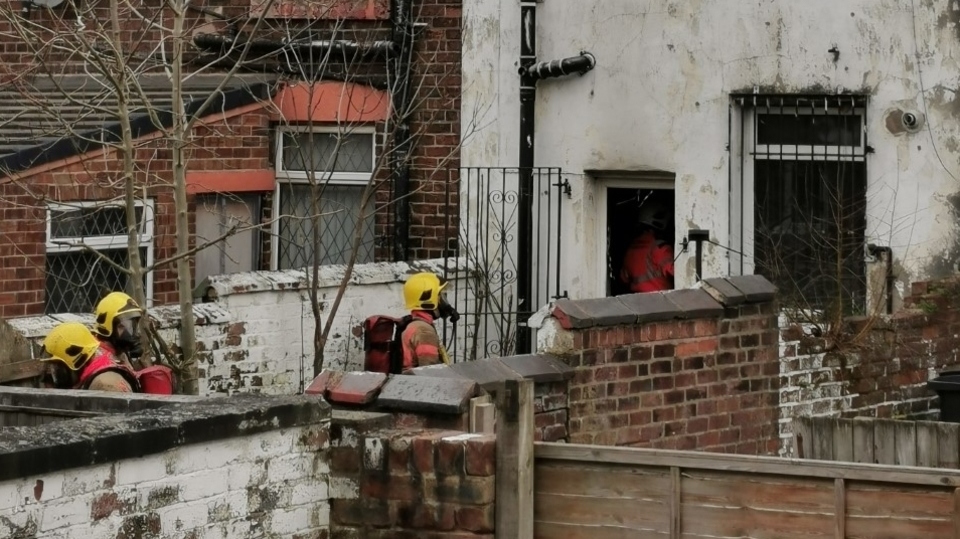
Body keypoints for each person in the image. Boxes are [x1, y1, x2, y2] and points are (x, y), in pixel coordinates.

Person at [41, 322, 140, 392]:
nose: (54, 374)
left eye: (57, 366)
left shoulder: (105, 386)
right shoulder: (96, 372)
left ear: (76, 360)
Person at [400, 272, 457, 373]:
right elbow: (430, 370)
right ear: (428, 298)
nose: (444, 303)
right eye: (441, 297)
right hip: (417, 384)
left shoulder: (415, 325)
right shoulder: (424, 331)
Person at [619, 202, 675, 293]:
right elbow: (677, 272)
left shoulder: (630, 250)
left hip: (637, 302)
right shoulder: (659, 248)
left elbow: (624, 278)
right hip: (663, 303)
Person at [93, 291, 145, 370]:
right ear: (106, 329)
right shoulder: (100, 361)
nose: (134, 333)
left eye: (132, 326)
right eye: (122, 326)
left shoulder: (119, 353)